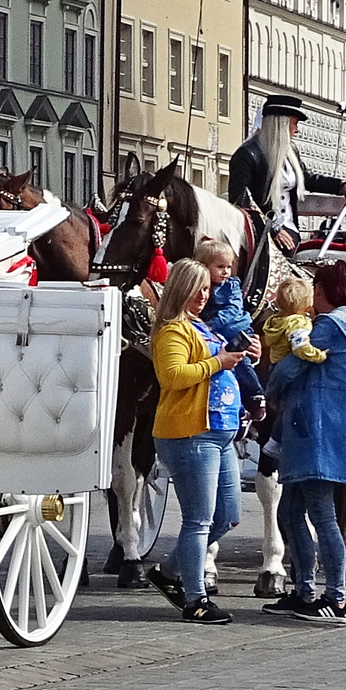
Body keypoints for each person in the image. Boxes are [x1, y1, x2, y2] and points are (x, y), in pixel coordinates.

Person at [261, 263, 346, 624]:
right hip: (325, 426)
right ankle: (304, 590)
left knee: (321, 513)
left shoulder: (329, 326)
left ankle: (335, 598)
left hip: (315, 427)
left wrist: (270, 386)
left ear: (326, 290)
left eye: (316, 287)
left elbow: (293, 366)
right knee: (288, 511)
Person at [146, 259, 254, 625]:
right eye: (198, 289)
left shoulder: (201, 325)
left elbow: (219, 361)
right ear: (181, 289)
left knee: (227, 516)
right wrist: (219, 362)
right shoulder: (172, 331)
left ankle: (168, 571)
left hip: (218, 432)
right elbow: (173, 376)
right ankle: (196, 600)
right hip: (191, 434)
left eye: (207, 289)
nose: (204, 295)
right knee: (198, 520)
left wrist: (241, 354)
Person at [227, 96, 346, 303]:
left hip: (289, 232)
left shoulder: (290, 153)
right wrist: (273, 228)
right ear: (280, 124)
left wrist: (341, 184)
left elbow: (307, 179)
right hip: (262, 234)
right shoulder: (247, 155)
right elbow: (241, 199)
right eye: (294, 123)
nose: (297, 130)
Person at [195, 240, 265, 420]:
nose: (226, 271)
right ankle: (239, 409)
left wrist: (211, 325)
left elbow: (233, 310)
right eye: (220, 266)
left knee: (241, 361)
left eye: (228, 266)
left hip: (235, 329)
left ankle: (255, 394)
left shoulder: (231, 285)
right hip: (217, 334)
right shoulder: (199, 286)